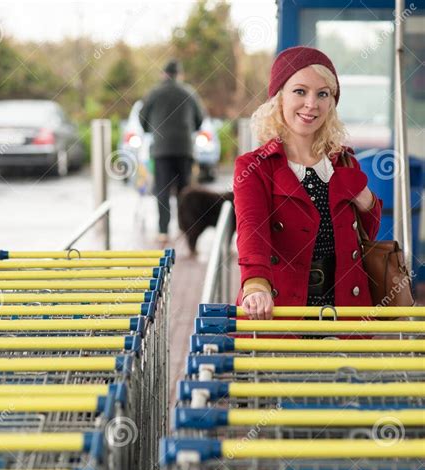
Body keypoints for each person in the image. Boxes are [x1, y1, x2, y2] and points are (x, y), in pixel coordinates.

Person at [234, 46, 383, 319]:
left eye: (322, 94)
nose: (311, 104)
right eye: (300, 91)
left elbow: (367, 236)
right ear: (279, 99)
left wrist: (368, 201)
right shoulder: (255, 166)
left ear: (331, 103)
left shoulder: (343, 161)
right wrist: (255, 284)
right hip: (281, 307)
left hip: (345, 307)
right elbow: (251, 230)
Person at [139, 59, 205, 244]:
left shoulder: (153, 93)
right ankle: (185, 229)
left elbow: (142, 118)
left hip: (161, 150)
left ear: (163, 74)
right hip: (184, 149)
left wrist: (151, 130)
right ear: (179, 75)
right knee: (184, 192)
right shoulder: (189, 92)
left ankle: (163, 231)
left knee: (162, 190)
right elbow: (200, 119)